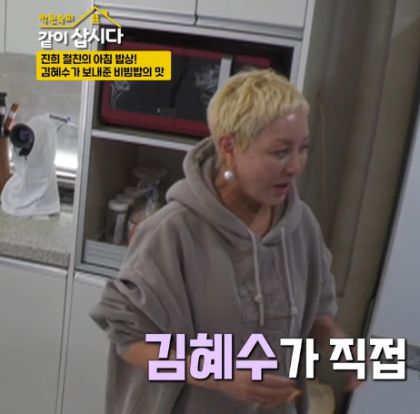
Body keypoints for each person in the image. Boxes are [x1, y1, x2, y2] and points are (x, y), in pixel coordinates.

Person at [91, 69, 355, 413]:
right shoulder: (172, 232)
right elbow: (130, 345)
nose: (296, 166)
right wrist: (217, 374)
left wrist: (337, 345)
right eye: (280, 152)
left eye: (303, 148)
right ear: (229, 147)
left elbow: (316, 316)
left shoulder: (301, 225)